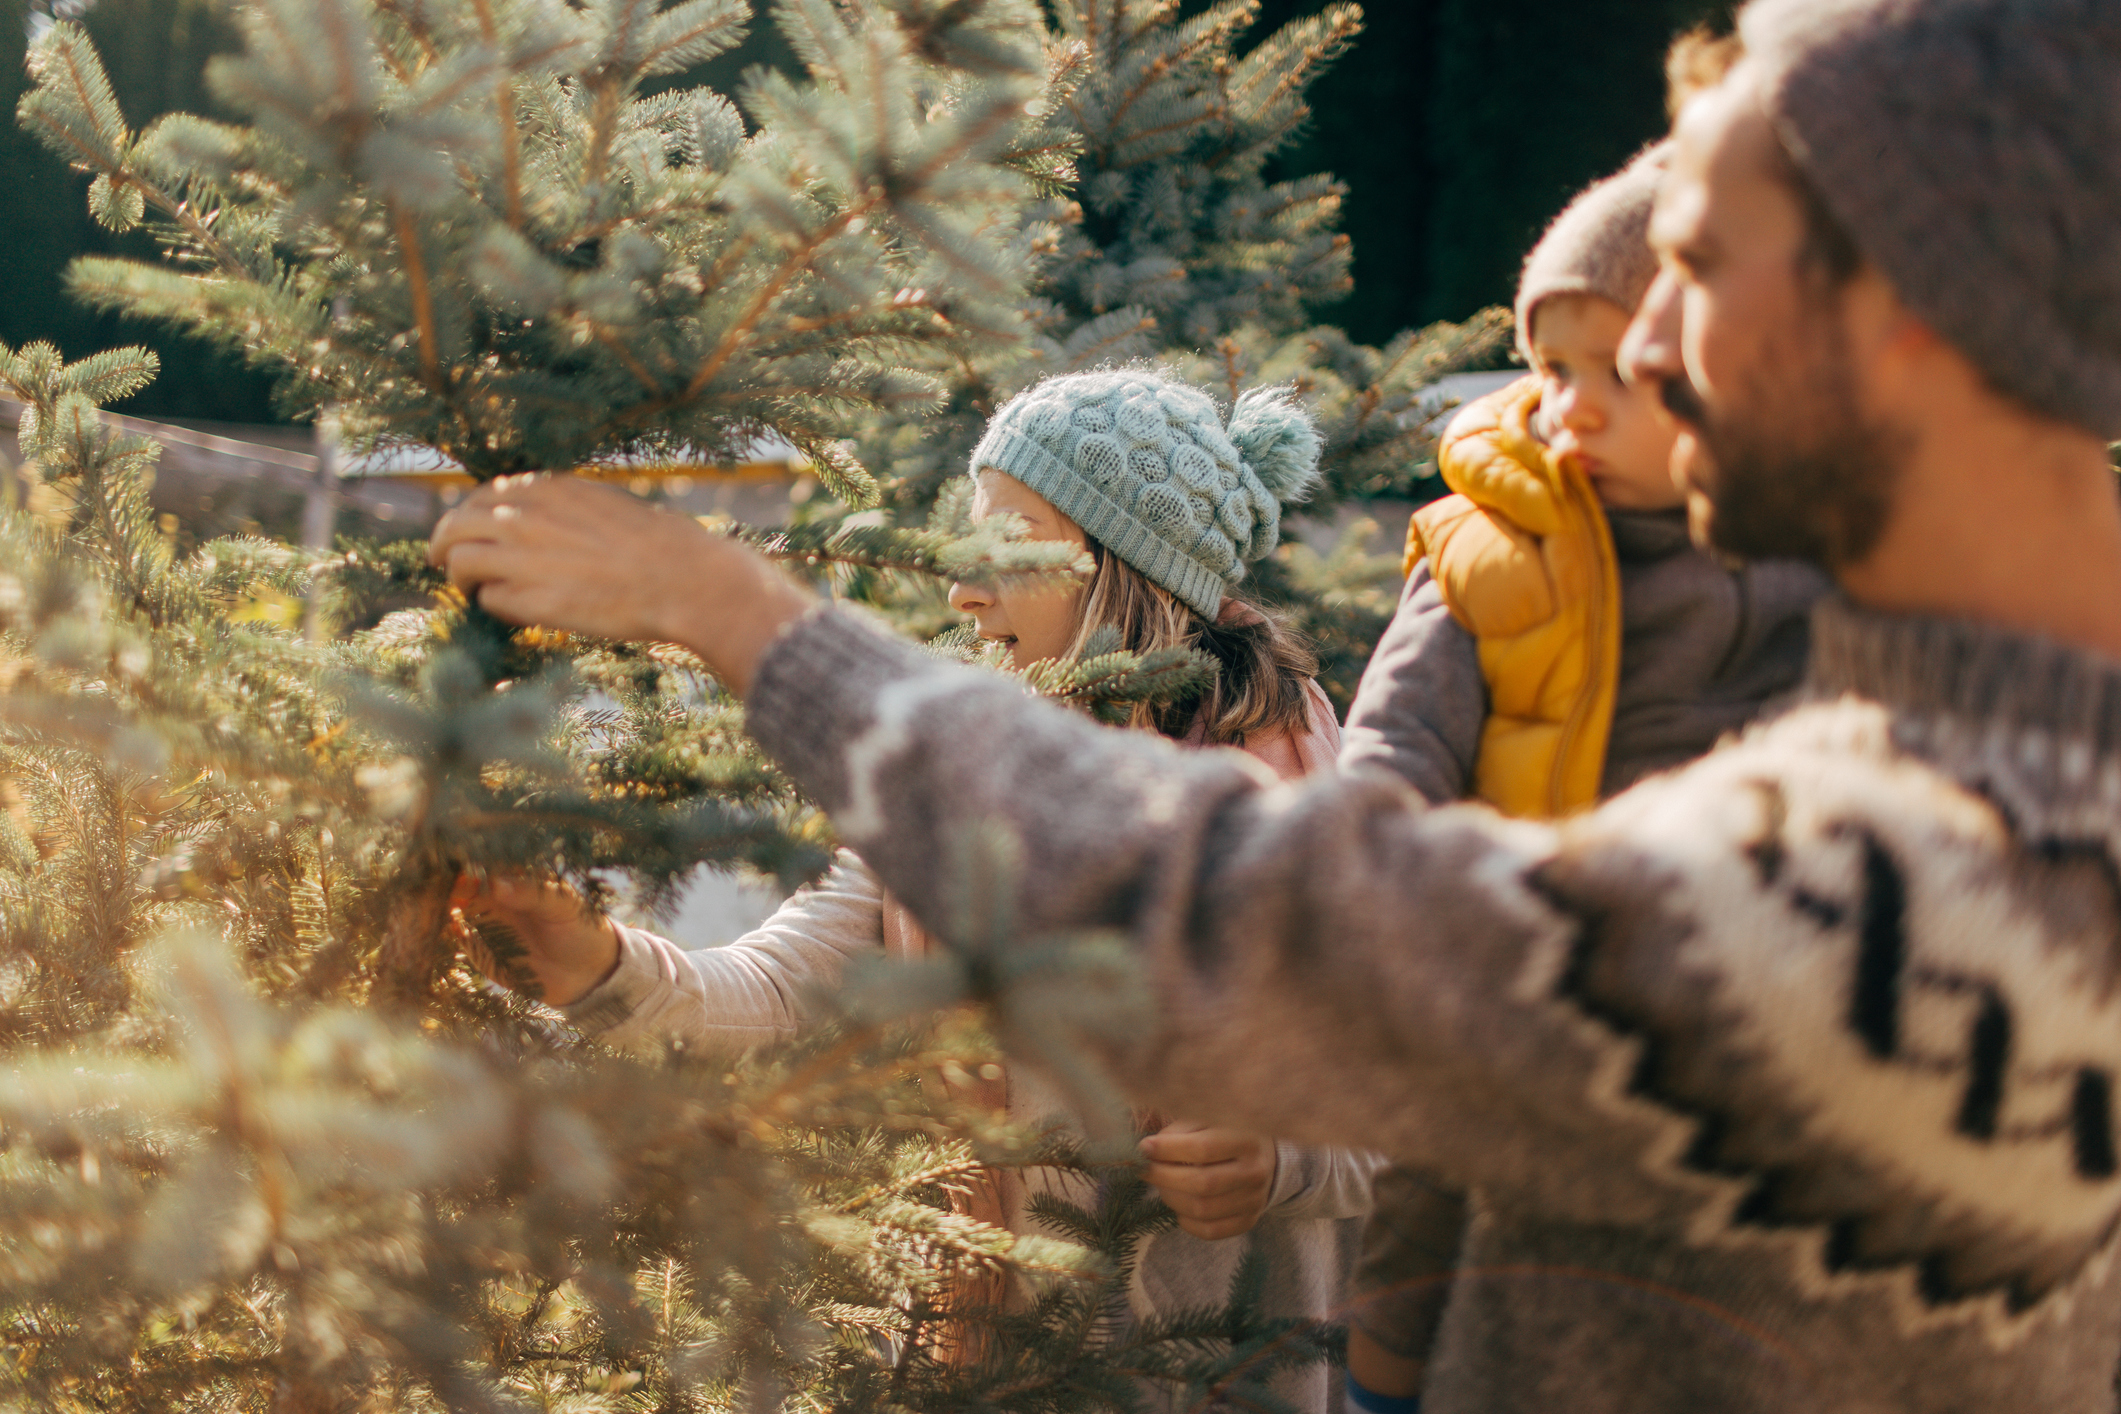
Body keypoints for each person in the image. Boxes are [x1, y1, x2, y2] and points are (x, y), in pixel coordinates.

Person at [430, 1, 2121, 1405]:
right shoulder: (1928, 770)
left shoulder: (1948, 877)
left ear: (1902, 307)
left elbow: (1285, 929)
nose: (1647, 354)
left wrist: (738, 612)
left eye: (1697, 263)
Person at [458, 368, 1384, 1413]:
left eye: (1009, 538)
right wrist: (594, 962)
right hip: (1004, 1379)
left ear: (1124, 568)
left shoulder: (1306, 805)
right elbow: (774, 987)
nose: (961, 588)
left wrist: (1283, 1163)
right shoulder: (947, 785)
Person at [1334, 145, 1827, 1413]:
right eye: (1554, 370)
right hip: (1504, 979)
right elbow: (1395, 744)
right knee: (1424, 1237)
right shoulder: (1496, 548)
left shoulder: (1822, 569)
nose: (1576, 408)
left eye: (1629, 374)